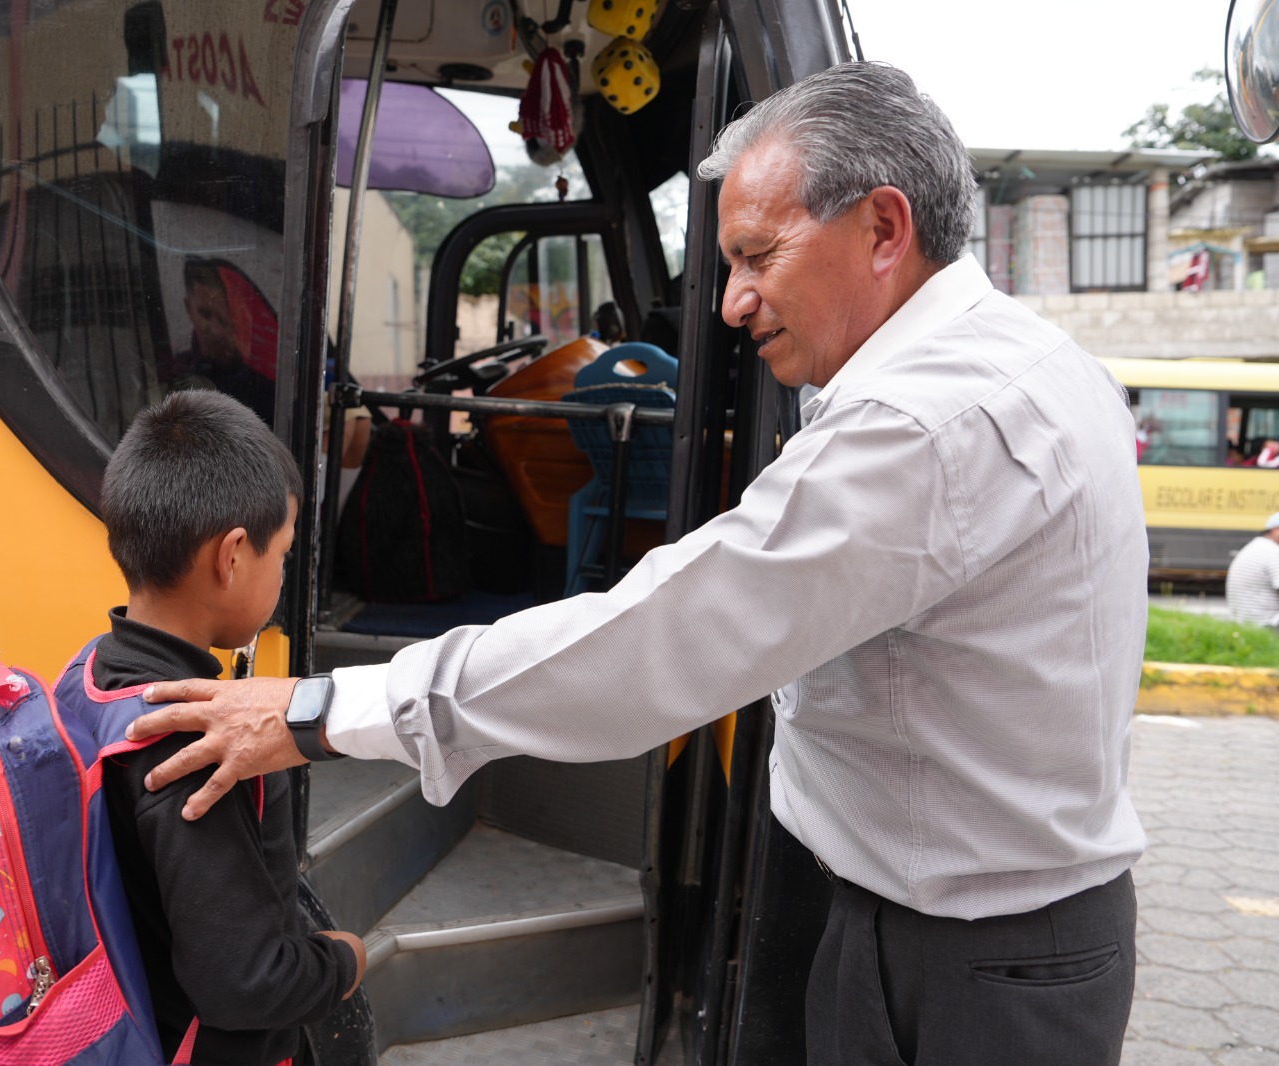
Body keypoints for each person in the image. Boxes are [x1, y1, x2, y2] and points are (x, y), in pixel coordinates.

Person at [129, 63, 1147, 1065]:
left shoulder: (927, 424)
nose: (732, 304)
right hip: (906, 898)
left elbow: (660, 639)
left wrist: (318, 713)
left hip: (962, 961)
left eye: (758, 257)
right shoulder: (1016, 357)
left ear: (884, 229)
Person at [87, 389, 364, 1065]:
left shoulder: (91, 675)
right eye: (284, 556)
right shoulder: (196, 739)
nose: (282, 575)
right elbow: (244, 982)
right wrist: (343, 962)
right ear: (232, 556)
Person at [160, 259, 278, 424]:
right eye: (205, 314)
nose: (214, 329)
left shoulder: (266, 393)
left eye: (223, 319)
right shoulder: (172, 371)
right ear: (188, 308)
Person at [1226, 512, 1279, 626]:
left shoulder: (1254, 546)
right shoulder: (1274, 553)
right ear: (1276, 530)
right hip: (1266, 625)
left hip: (1243, 622)